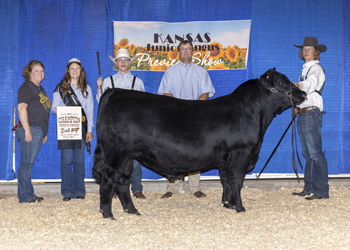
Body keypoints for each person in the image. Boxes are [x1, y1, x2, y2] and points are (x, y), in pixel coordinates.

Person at [158, 40, 215, 199]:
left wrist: (194, 107)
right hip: (175, 116)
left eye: (188, 49)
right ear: (178, 52)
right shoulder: (170, 71)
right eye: (182, 49)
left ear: (192, 52)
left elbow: (206, 92)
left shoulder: (201, 71)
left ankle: (195, 187)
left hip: (196, 116)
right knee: (173, 150)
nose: (185, 52)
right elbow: (165, 92)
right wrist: (180, 107)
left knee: (196, 150)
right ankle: (172, 187)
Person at [96, 48, 146, 199]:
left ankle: (137, 188)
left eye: (126, 60)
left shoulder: (138, 82)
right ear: (116, 63)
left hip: (133, 128)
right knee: (115, 161)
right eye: (120, 60)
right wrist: (99, 88)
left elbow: (144, 106)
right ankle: (115, 189)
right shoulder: (108, 81)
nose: (123, 63)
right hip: (115, 129)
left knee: (136, 160)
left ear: (129, 63)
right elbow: (101, 103)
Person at [292, 36, 329, 200]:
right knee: (308, 154)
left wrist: (297, 86)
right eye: (304, 49)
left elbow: (311, 85)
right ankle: (309, 188)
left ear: (316, 52)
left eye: (309, 49)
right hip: (304, 113)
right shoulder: (305, 69)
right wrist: (296, 106)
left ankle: (321, 191)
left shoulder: (316, 69)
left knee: (315, 154)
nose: (306, 51)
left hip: (311, 114)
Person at [51, 58, 93, 201]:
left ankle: (80, 190)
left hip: (81, 129)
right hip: (66, 128)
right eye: (72, 68)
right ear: (68, 71)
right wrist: (70, 111)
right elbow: (54, 108)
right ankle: (67, 191)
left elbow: (90, 111)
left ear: (81, 71)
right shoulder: (60, 88)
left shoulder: (87, 88)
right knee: (67, 160)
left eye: (77, 68)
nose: (75, 71)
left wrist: (90, 130)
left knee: (79, 161)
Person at [16, 60, 51, 203]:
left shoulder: (40, 89)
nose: (40, 73)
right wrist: (27, 130)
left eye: (42, 70)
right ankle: (25, 196)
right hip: (30, 129)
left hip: (38, 131)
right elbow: (21, 108)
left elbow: (42, 111)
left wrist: (44, 132)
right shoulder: (27, 87)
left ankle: (28, 194)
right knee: (26, 164)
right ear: (29, 72)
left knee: (28, 164)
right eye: (36, 70)